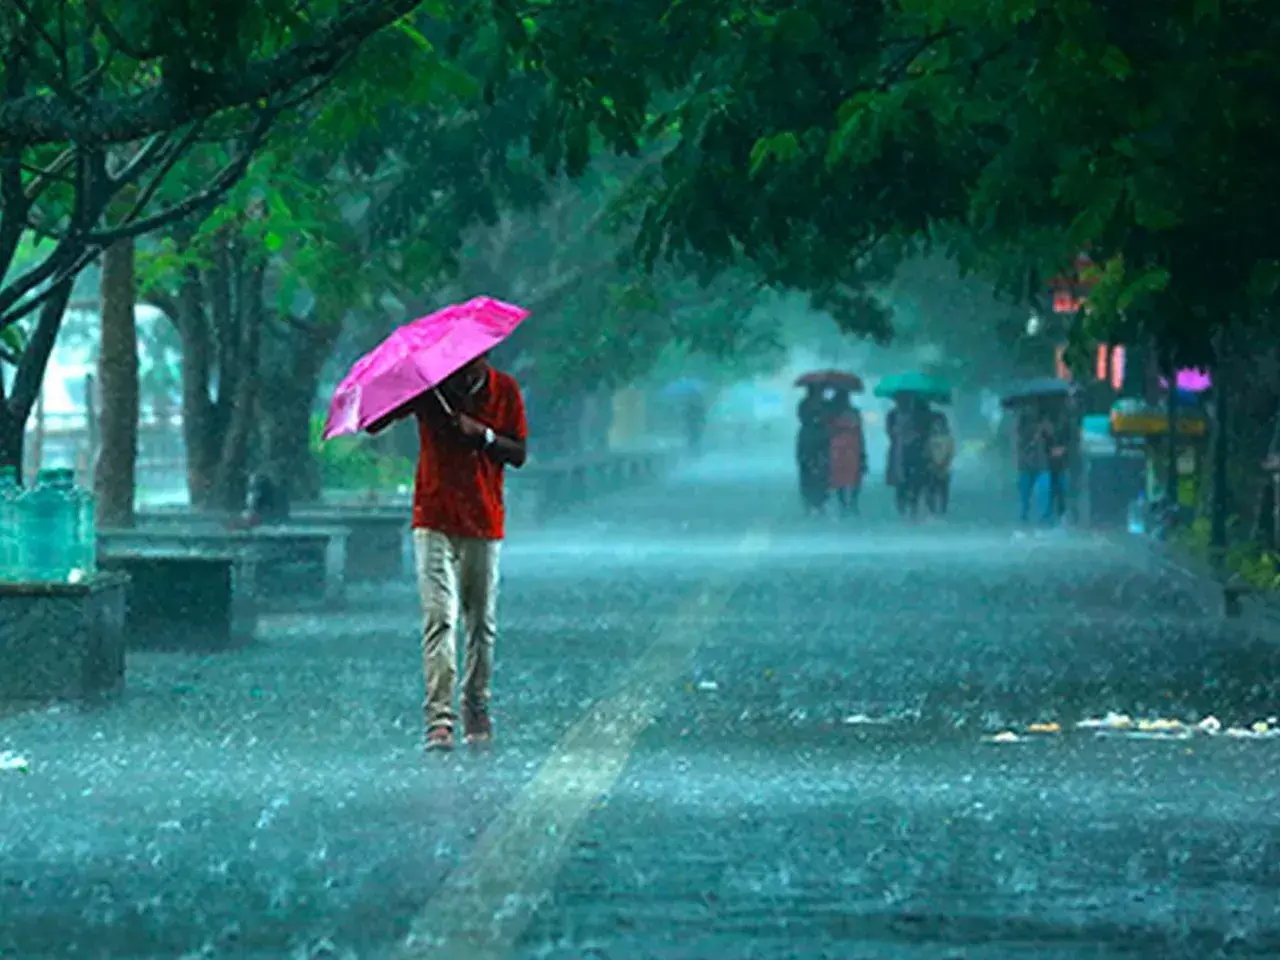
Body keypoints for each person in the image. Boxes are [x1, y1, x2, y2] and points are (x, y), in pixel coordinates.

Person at [368, 352, 528, 752]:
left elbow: (520, 453)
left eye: (471, 363)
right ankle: (439, 719)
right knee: (439, 617)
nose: (462, 369)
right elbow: (375, 424)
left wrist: (484, 435)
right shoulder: (430, 390)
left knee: (481, 622)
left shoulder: (505, 390)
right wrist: (397, 389)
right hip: (433, 516)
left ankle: (476, 704)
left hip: (483, 520)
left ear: (485, 358)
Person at [887, 396, 928, 518]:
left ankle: (913, 505)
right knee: (900, 479)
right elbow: (889, 431)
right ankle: (902, 506)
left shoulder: (917, 414)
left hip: (914, 450)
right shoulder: (892, 414)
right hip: (899, 451)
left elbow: (923, 431)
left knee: (915, 479)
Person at [827, 389, 866, 516]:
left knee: (846, 475)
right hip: (848, 447)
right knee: (849, 475)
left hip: (842, 447)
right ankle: (849, 502)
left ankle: (846, 502)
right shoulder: (844, 413)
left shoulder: (833, 414)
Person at [796, 384, 831, 516]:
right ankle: (809, 502)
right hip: (809, 439)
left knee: (823, 472)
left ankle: (820, 502)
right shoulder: (804, 404)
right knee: (807, 471)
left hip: (821, 440)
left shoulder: (826, 404)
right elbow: (802, 417)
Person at [925, 411, 956, 516]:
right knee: (931, 489)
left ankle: (942, 509)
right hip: (932, 467)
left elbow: (950, 453)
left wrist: (944, 464)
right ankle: (932, 509)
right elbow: (927, 451)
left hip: (944, 468)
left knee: (943, 490)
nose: (937, 425)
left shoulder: (948, 438)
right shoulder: (929, 438)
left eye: (939, 423)